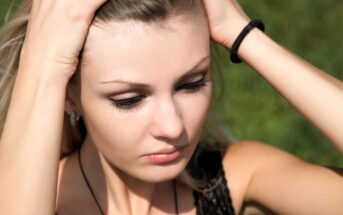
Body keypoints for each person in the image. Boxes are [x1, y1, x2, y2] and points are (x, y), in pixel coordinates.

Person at [0, 0, 342, 214]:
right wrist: (42, 68)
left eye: (191, 84)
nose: (173, 127)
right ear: (69, 95)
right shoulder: (36, 197)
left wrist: (242, 33)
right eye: (129, 100)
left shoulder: (235, 178)